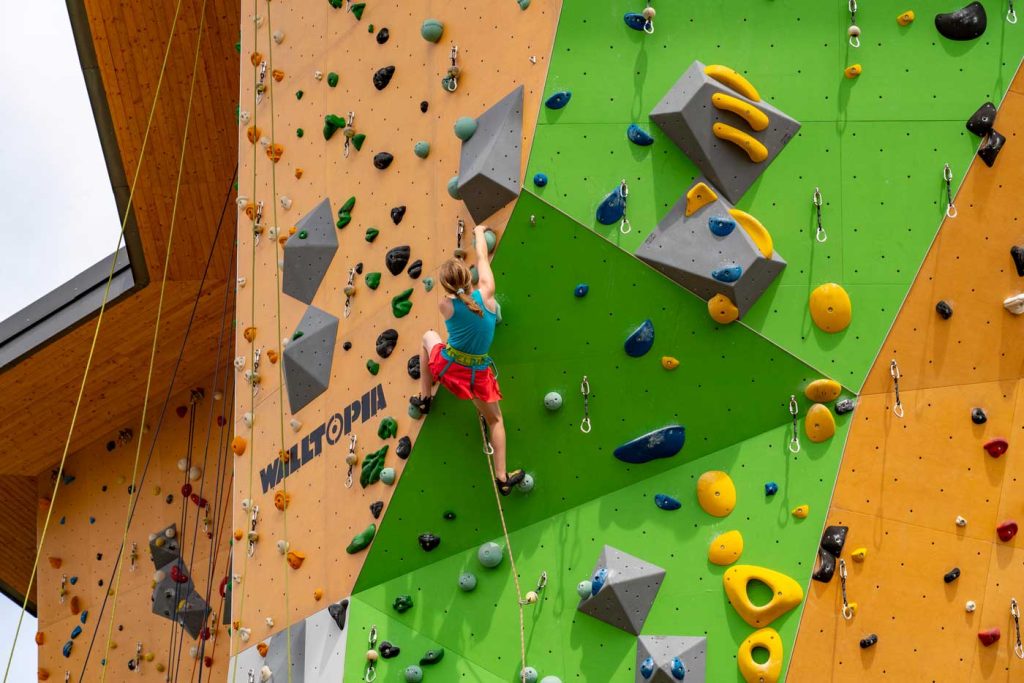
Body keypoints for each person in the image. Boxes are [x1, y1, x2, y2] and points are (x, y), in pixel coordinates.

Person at [409, 224, 525, 495]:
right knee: (496, 421)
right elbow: (483, 257)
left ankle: (425, 398)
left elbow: (455, 300)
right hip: (476, 376)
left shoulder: (445, 305)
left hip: (449, 367)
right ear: (468, 277)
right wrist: (478, 231)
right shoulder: (487, 291)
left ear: (447, 287)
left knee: (428, 336)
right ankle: (502, 477)